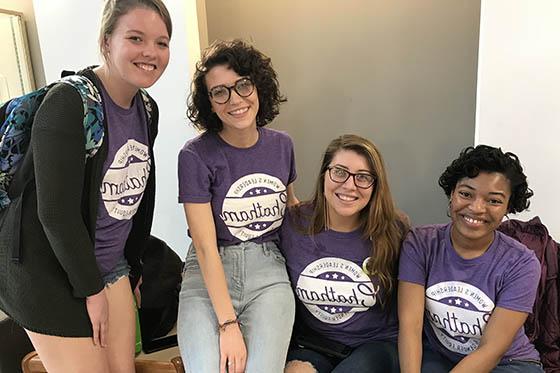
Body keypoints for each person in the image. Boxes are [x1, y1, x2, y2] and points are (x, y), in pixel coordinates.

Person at [0, 1, 171, 372]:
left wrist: (133, 268)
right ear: (107, 41)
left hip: (110, 266)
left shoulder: (147, 108)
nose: (150, 53)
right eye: (136, 38)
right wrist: (92, 291)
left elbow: (134, 201)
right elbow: (56, 214)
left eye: (161, 42)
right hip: (49, 272)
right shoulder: (68, 103)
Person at [177, 39, 297, 373]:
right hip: (209, 273)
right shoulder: (195, 155)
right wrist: (228, 325)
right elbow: (204, 245)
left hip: (269, 272)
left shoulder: (282, 146)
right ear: (210, 103)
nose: (235, 100)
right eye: (220, 92)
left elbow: (290, 207)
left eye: (242, 85)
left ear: (258, 86)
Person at [398, 145, 544, 373]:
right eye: (466, 194)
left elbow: (491, 350)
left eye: (493, 201)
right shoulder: (420, 243)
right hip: (440, 357)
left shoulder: (522, 263)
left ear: (508, 206)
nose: (476, 208)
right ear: (452, 194)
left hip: (509, 364)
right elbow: (410, 327)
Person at [282, 134, 408, 373]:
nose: (349, 185)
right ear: (324, 175)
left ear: (375, 185)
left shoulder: (394, 229)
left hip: (376, 345)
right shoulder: (294, 223)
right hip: (313, 344)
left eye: (363, 177)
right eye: (339, 172)